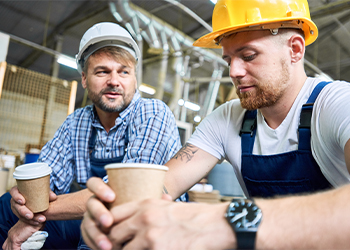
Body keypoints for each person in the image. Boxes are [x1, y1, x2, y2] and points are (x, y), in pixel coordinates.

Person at [80, 0, 350, 249]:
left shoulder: (336, 104)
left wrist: (221, 221)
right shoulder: (228, 119)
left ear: (294, 49)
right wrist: (116, 210)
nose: (233, 72)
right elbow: (162, 185)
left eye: (249, 55)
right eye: (229, 59)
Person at [0, 22, 182, 250]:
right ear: (84, 79)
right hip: (95, 214)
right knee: (6, 206)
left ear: (135, 80)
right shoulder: (77, 121)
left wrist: (32, 214)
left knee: (97, 230)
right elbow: (45, 180)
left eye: (124, 72)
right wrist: (25, 202)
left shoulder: (152, 113)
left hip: (153, 225)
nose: (114, 81)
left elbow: (126, 195)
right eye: (103, 71)